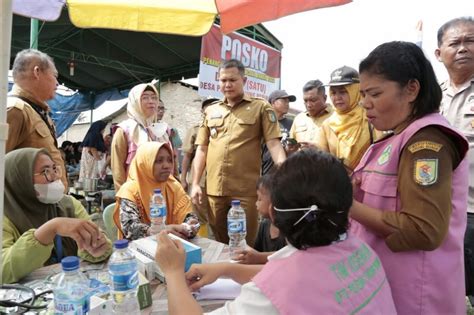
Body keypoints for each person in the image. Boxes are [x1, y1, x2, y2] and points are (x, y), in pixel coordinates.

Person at [155, 149, 396, 314]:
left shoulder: (280, 291)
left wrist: (174, 271)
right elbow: (295, 276)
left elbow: (283, 284)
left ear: (274, 212)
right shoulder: (360, 250)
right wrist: (226, 269)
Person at [350, 41, 469, 314]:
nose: (365, 104)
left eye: (375, 93)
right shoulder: (394, 139)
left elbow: (422, 229)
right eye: (363, 94)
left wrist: (348, 205)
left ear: (412, 89)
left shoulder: (427, 143)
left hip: (416, 295)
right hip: (386, 285)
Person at [191, 59, 286, 245]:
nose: (227, 85)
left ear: (244, 80)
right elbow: (202, 148)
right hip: (215, 191)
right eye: (223, 80)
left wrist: (285, 172)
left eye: (233, 80)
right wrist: (195, 183)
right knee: (219, 242)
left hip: (246, 192)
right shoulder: (211, 110)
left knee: (246, 243)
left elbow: (274, 144)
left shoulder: (261, 107)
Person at [2, 148, 112, 284]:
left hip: (70, 291)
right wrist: (50, 229)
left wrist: (96, 248)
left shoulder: (69, 204)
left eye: (54, 169)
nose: (55, 177)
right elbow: (3, 271)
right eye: (45, 172)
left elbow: (100, 243)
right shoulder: (5, 217)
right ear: (20, 180)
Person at [435, 16, 474, 301]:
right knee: (448, 287)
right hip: (440, 210)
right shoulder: (430, 95)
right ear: (439, 53)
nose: (463, 48)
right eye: (455, 43)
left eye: (470, 41)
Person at [6, 49, 68, 189]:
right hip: (25, 208)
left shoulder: (36, 111)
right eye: (54, 75)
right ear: (37, 72)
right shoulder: (15, 110)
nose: (57, 83)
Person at [113, 141, 200, 240]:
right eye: (159, 161)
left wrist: (190, 225)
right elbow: (130, 228)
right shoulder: (129, 190)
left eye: (169, 160)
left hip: (174, 246)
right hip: (141, 249)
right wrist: (159, 231)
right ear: (144, 163)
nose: (167, 165)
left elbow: (188, 215)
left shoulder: (173, 186)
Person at [317, 66, 375, 172]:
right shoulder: (327, 125)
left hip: (368, 185)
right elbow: (322, 162)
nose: (337, 97)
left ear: (355, 91)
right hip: (337, 184)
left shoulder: (371, 119)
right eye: (333, 93)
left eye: (343, 92)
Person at [111, 83, 162, 191]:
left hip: (160, 192)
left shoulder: (162, 130)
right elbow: (118, 169)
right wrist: (123, 197)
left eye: (154, 97)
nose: (151, 101)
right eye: (145, 98)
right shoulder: (125, 130)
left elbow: (172, 163)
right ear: (135, 102)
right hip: (135, 193)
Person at [180, 98, 219, 237]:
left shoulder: (225, 129)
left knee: (217, 215)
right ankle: (202, 241)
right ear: (203, 111)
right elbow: (187, 156)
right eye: (208, 108)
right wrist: (183, 178)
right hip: (199, 180)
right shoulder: (195, 129)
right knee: (199, 215)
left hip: (218, 179)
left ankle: (217, 241)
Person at [234, 173, 286, 264]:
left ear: (273, 203)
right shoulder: (264, 225)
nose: (256, 203)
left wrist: (258, 257)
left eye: (259, 199)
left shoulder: (288, 232)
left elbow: (287, 258)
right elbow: (256, 254)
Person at [289, 79, 332, 149]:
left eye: (313, 100)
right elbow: (291, 146)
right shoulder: (299, 119)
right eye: (305, 101)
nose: (308, 105)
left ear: (325, 98)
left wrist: (319, 149)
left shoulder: (336, 117)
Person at [261, 90, 295, 175]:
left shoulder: (292, 123)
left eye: (288, 101)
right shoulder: (263, 122)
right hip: (266, 171)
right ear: (273, 103)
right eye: (284, 101)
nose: (287, 104)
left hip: (286, 172)